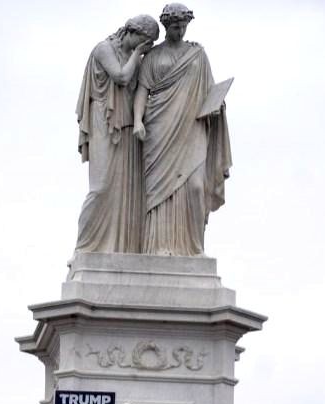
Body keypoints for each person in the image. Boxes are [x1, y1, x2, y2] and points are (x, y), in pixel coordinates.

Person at [133, 3, 232, 255]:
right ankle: (158, 246)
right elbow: (142, 90)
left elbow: (209, 90)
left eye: (183, 26)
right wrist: (137, 121)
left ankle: (194, 248)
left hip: (192, 126)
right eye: (176, 27)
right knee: (159, 192)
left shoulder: (198, 54)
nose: (180, 31)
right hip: (159, 127)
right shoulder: (153, 56)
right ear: (166, 26)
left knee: (195, 186)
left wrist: (217, 104)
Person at [75, 15, 160, 254]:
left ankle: (121, 247)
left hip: (127, 126)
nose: (148, 48)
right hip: (103, 118)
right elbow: (121, 77)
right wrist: (138, 54)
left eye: (151, 44)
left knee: (125, 188)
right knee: (101, 187)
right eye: (146, 42)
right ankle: (84, 247)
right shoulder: (104, 48)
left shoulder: (138, 60)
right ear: (132, 33)